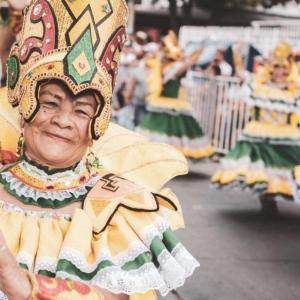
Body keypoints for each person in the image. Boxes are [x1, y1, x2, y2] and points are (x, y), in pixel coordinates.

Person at [0, 0, 199, 299]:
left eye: (81, 111)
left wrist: (17, 281)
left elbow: (113, 296)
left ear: (97, 123)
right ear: (26, 104)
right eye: (50, 103)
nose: (63, 121)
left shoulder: (117, 205)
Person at [212, 42, 300, 212]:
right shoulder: (259, 86)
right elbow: (241, 75)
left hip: (286, 134)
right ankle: (266, 197)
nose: (280, 72)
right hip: (260, 132)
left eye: (283, 68)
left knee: (286, 166)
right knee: (262, 166)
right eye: (276, 67)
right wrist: (237, 57)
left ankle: (279, 192)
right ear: (270, 68)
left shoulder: (294, 92)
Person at [138, 31, 214, 160]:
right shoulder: (166, 67)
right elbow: (184, 66)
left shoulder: (165, 66)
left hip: (170, 103)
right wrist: (196, 55)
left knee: (168, 133)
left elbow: (184, 65)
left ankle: (166, 157)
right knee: (164, 132)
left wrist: (196, 54)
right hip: (165, 103)